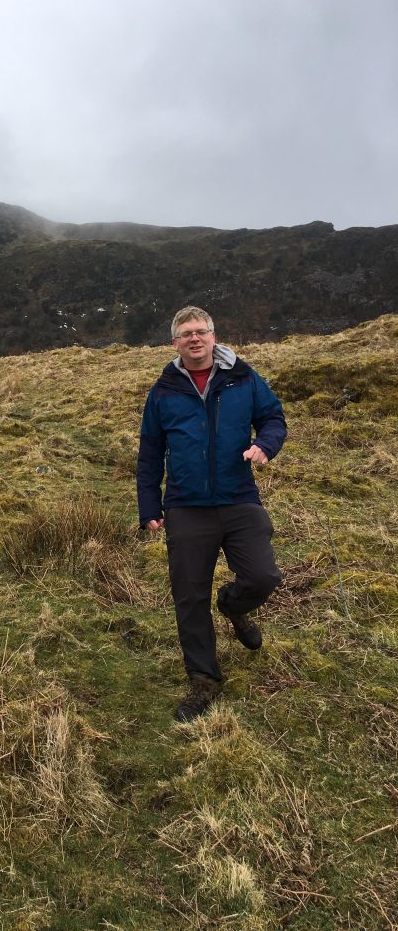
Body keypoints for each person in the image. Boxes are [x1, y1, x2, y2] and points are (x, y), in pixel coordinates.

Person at [136, 306, 286, 721]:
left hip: (239, 496)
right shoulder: (164, 390)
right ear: (175, 343)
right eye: (186, 334)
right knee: (189, 596)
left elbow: (272, 417)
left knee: (263, 575)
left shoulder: (242, 377)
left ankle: (235, 606)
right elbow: (150, 450)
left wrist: (265, 446)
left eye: (201, 331)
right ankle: (204, 679)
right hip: (185, 505)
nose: (195, 339)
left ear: (214, 336)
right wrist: (149, 504)